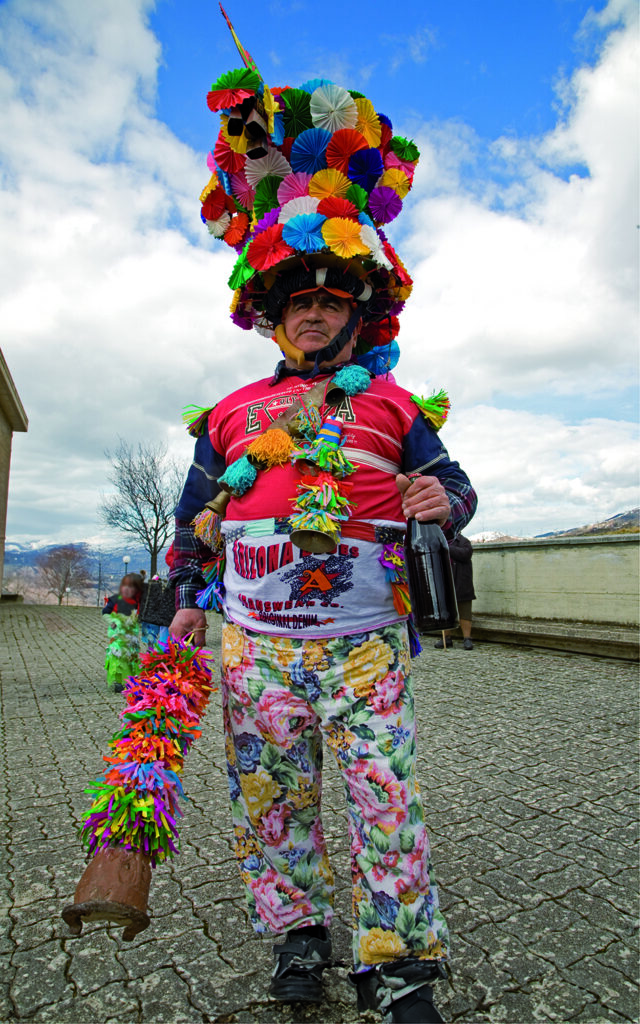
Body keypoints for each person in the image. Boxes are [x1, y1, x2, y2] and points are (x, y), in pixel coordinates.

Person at [168, 56, 478, 1024]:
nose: (312, 312)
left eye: (330, 301)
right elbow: (191, 524)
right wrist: (183, 605)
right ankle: (298, 933)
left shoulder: (393, 405)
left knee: (386, 799)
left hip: (365, 649)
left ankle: (399, 964)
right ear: (274, 318)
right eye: (296, 302)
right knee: (271, 799)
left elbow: (458, 488)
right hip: (255, 646)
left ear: (355, 314)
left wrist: (441, 500)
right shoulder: (228, 414)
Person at [102, 573, 143, 691]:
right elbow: (105, 612)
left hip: (131, 634)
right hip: (118, 634)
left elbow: (139, 615)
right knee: (118, 656)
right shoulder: (114, 600)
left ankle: (131, 679)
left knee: (131, 655)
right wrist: (113, 621)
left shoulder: (137, 602)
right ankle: (118, 681)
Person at [434, 536, 475, 650]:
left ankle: (467, 638)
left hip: (462, 584)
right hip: (444, 583)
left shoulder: (464, 542)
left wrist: (447, 548)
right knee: (445, 612)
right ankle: (446, 638)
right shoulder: (439, 540)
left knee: (464, 612)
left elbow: (466, 554)